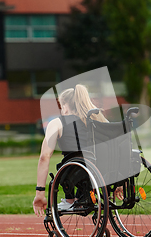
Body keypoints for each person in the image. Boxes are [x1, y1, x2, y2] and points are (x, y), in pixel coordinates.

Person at [32, 84, 108, 217]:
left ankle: (70, 200)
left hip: (76, 170)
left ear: (66, 106)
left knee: (68, 166)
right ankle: (82, 197)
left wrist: (40, 193)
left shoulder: (57, 123)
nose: (61, 110)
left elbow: (45, 156)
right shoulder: (98, 121)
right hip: (103, 170)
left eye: (61, 106)